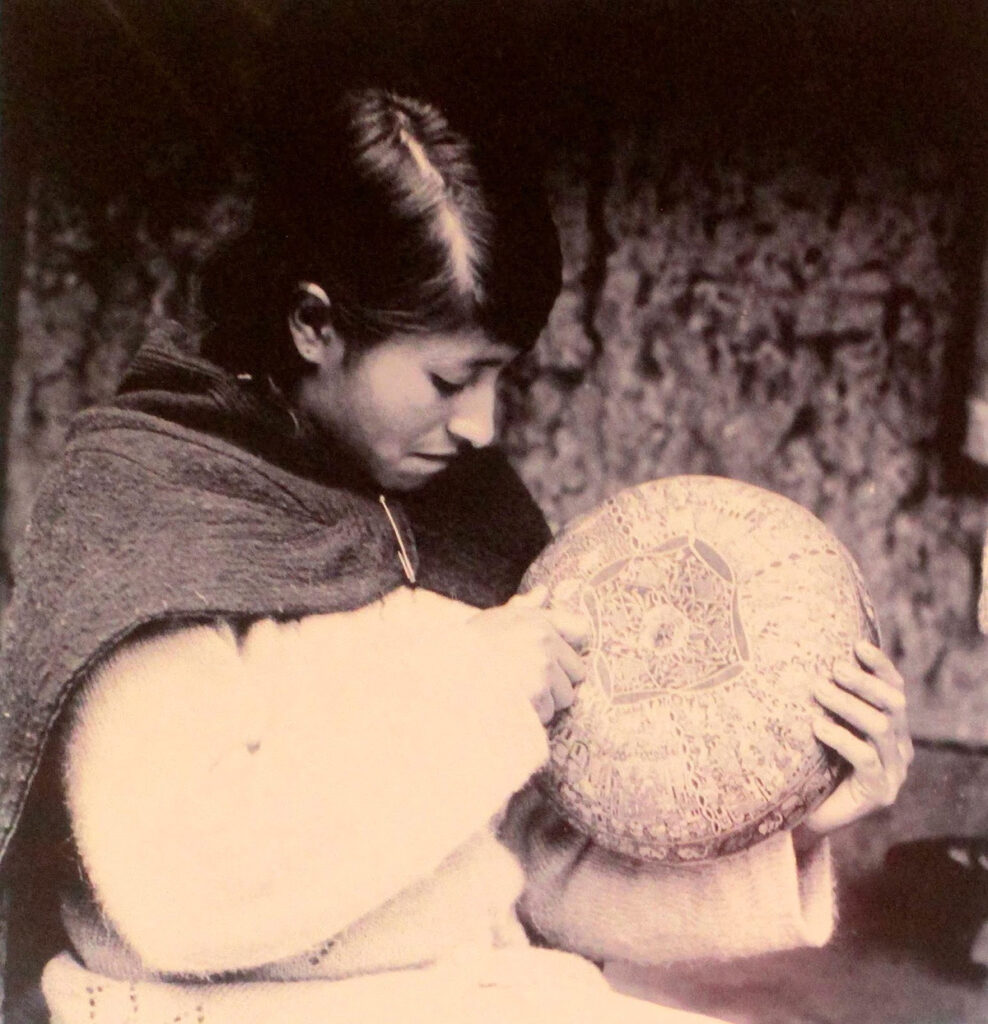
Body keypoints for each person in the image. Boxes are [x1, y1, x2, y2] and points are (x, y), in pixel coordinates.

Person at [0, 86, 911, 1024]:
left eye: (499, 375)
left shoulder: (463, 510)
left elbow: (522, 868)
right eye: (449, 378)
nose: (481, 426)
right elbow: (178, 900)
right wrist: (482, 696)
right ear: (314, 324)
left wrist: (796, 819)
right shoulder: (156, 505)